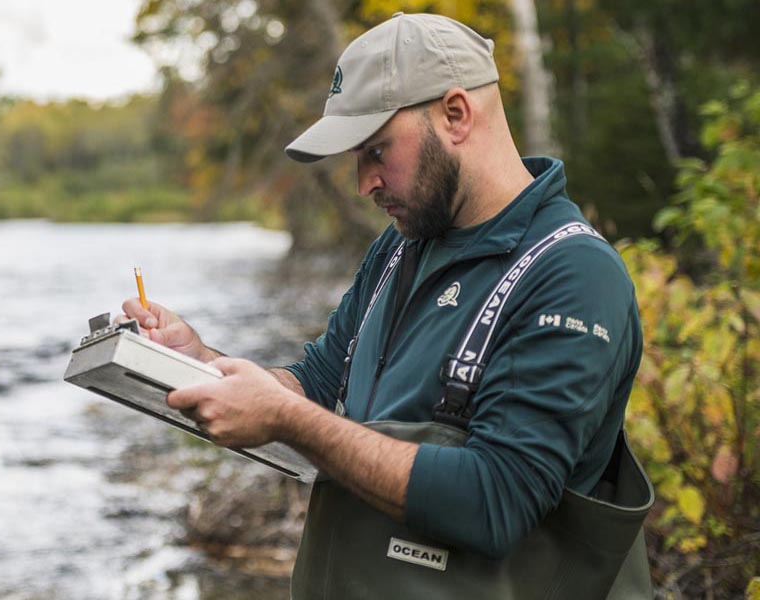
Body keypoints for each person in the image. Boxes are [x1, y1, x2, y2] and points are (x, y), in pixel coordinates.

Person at [121, 12, 650, 599]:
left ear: (455, 114)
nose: (362, 183)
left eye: (376, 150)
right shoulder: (400, 249)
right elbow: (317, 385)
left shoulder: (573, 275)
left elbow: (497, 501)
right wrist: (198, 364)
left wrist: (286, 419)